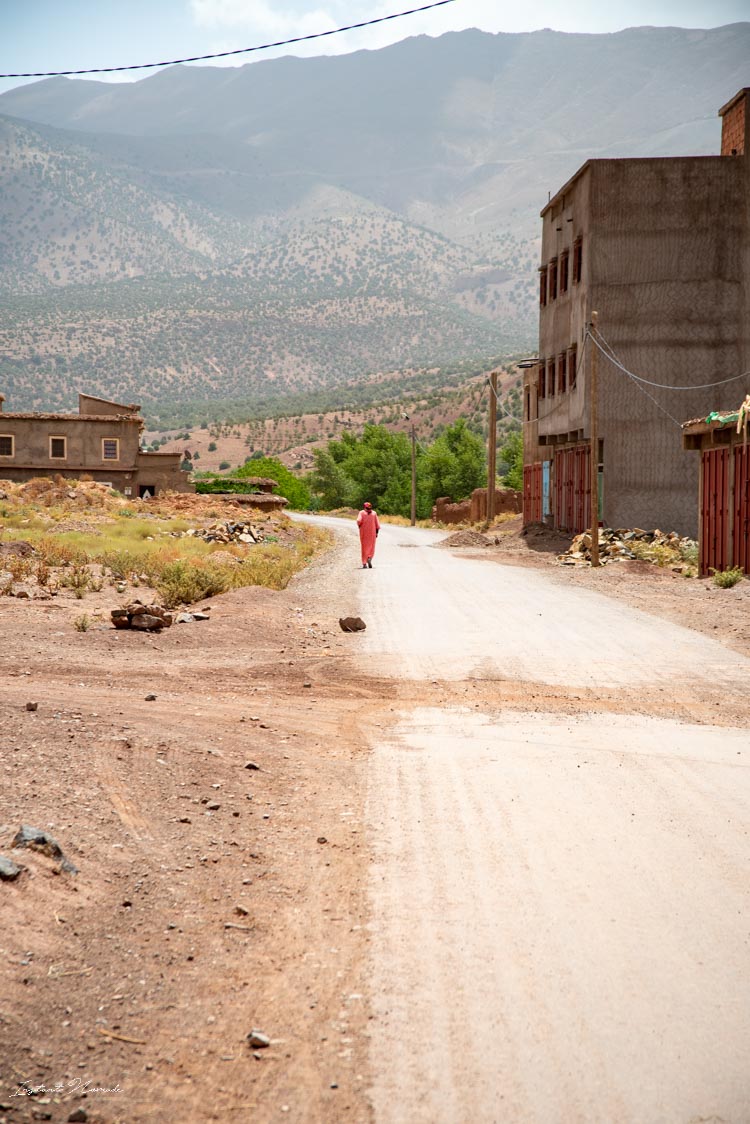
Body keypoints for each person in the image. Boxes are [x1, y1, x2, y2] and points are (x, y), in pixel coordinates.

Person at [356, 501, 380, 568]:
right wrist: (377, 533)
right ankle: (369, 557)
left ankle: (364, 563)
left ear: (364, 507)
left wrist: (359, 526)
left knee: (364, 547)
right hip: (372, 533)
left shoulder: (361, 512)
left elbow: (358, 521)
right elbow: (377, 525)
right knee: (372, 546)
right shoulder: (374, 513)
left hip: (364, 532)